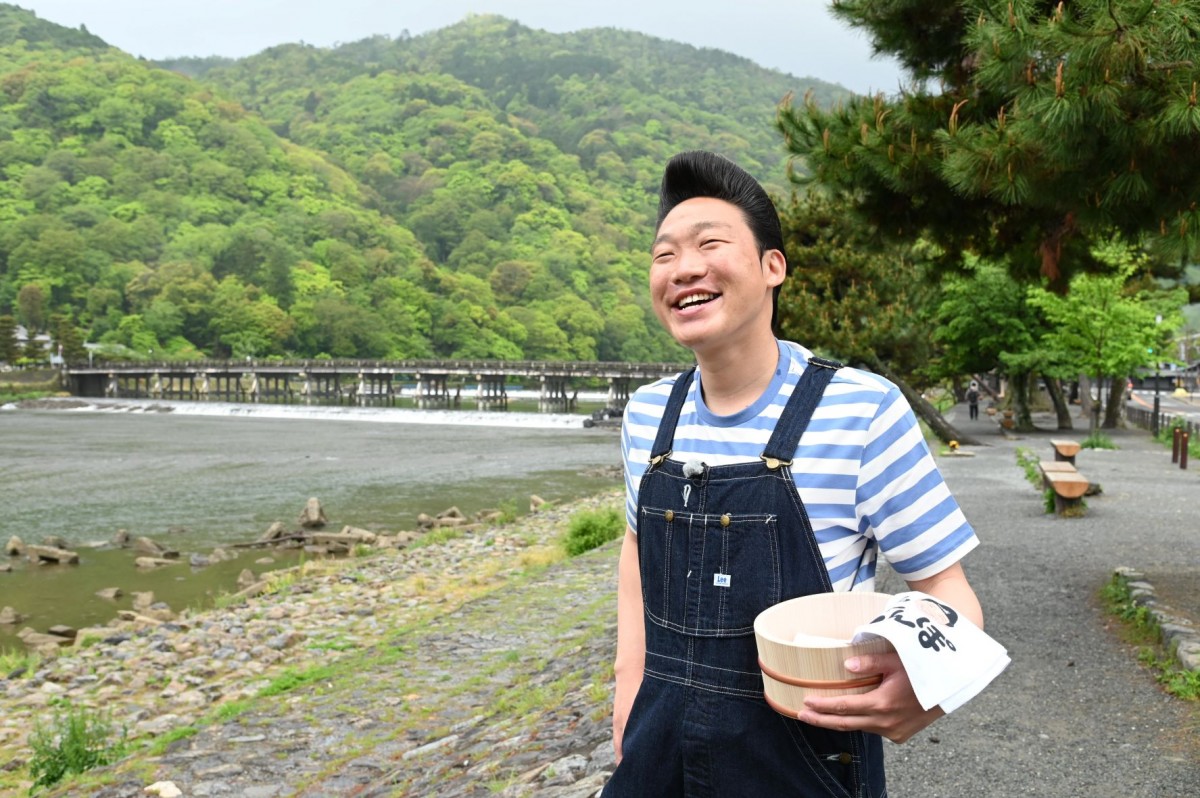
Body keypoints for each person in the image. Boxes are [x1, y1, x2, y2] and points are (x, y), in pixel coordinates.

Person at [603, 151, 983, 797]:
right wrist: (626, 693)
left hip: (803, 761)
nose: (683, 268)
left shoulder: (860, 408)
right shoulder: (648, 415)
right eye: (664, 255)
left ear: (772, 267)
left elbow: (946, 587)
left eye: (710, 244)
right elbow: (639, 553)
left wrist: (930, 684)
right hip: (655, 752)